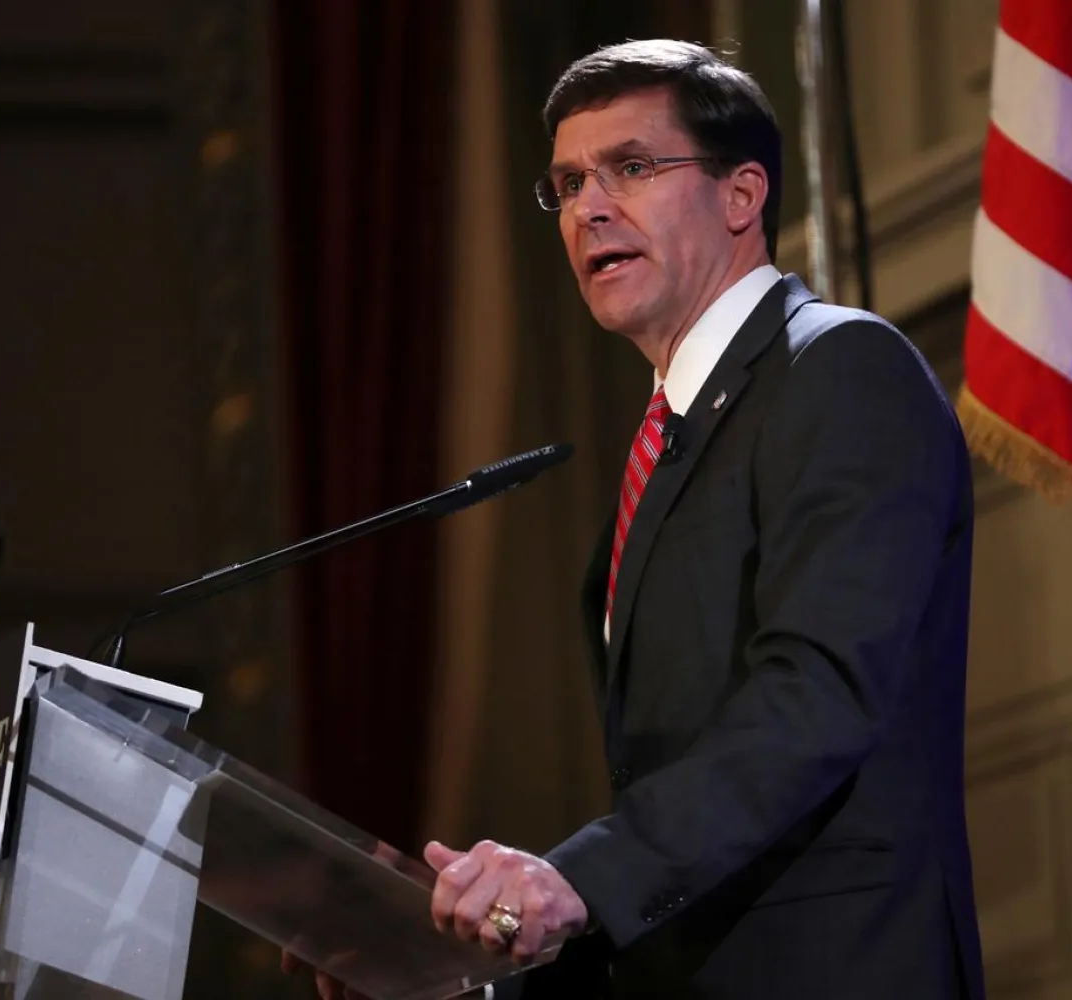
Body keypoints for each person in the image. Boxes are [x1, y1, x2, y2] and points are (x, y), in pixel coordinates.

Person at [294, 38, 985, 1000]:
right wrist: (462, 953)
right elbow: (677, 839)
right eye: (568, 184)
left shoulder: (839, 371)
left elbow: (815, 698)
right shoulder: (670, 439)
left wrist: (572, 877)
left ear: (743, 195)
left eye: (630, 168)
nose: (588, 207)